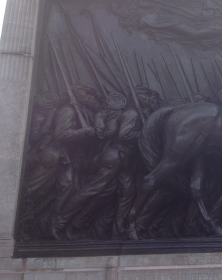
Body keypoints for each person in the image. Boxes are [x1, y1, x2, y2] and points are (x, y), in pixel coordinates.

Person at [50, 87, 161, 240]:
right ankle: (59, 223)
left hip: (126, 159)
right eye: (146, 97)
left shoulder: (133, 113)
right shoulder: (132, 113)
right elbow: (124, 134)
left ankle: (116, 230)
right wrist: (146, 134)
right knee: (92, 190)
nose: (150, 101)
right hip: (116, 157)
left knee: (125, 194)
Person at [25, 82, 100, 237]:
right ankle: (22, 222)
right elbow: (60, 134)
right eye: (86, 94)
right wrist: (83, 132)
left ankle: (49, 224)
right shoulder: (68, 110)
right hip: (52, 155)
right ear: (76, 94)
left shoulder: (79, 111)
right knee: (33, 188)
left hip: (64, 157)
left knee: (67, 186)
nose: (89, 97)